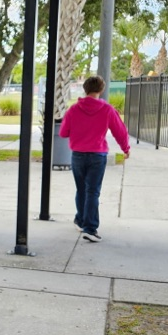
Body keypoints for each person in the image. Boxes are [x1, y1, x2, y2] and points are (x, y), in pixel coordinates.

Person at [59, 75, 130, 243]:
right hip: (97, 156)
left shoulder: (74, 110)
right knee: (93, 191)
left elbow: (63, 132)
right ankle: (90, 228)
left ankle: (81, 220)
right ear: (101, 90)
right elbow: (120, 131)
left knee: (81, 189)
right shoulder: (107, 110)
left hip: (77, 155)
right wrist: (125, 148)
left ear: (85, 89)